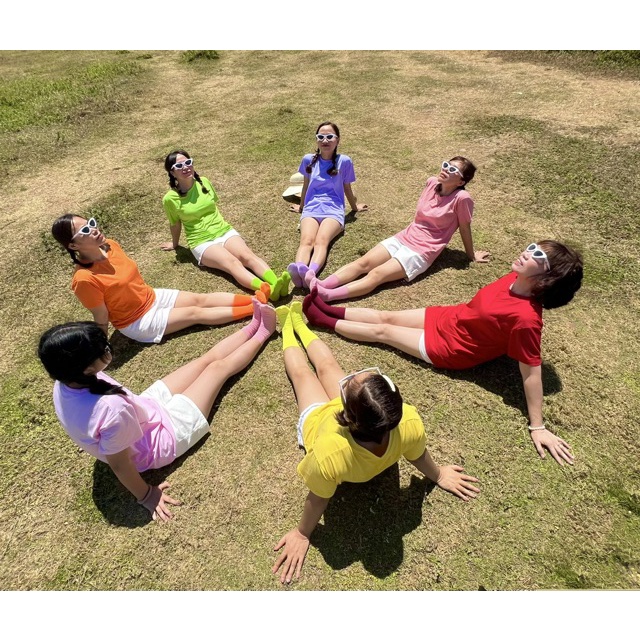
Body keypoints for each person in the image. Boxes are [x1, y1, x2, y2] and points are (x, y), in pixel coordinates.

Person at [303, 240, 583, 466]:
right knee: (387, 316)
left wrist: (537, 426)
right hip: (450, 317)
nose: (527, 252)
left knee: (383, 332)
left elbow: (531, 373)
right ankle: (329, 309)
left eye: (538, 256)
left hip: (452, 348)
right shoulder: (514, 277)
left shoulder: (526, 320)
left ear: (548, 278)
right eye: (533, 247)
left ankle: (322, 320)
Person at [271, 301, 480, 583]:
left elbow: (318, 498)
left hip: (317, 422)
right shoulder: (407, 421)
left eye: (352, 382)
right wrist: (439, 474)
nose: (352, 377)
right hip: (361, 416)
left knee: (303, 374)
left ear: (347, 414)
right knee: (329, 365)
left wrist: (301, 533)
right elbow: (419, 456)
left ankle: (288, 325)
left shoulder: (328, 454)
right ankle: (298, 322)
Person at [38, 300, 276, 521]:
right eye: (104, 349)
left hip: (145, 408)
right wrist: (146, 495)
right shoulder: (110, 410)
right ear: (87, 368)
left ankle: (253, 326)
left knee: (205, 360)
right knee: (217, 369)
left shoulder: (66, 380)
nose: (109, 349)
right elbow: (119, 464)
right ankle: (264, 332)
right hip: (162, 439)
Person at [52, 214, 264, 344]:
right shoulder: (84, 279)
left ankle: (257, 298)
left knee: (201, 299)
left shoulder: (111, 245)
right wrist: (102, 346)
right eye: (85, 230)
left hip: (151, 296)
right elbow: (101, 316)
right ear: (73, 245)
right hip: (136, 321)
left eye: (91, 223)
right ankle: (257, 310)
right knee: (195, 313)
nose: (94, 229)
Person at [306, 157, 490, 302]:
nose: (446, 170)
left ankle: (328, 295)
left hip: (423, 250)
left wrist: (471, 255)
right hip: (405, 236)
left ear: (461, 181)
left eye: (453, 170)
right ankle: (321, 284)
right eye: (446, 165)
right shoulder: (431, 183)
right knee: (363, 263)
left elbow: (464, 227)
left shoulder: (462, 198)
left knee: (377, 274)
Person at [162, 150, 290, 301]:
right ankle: (268, 290)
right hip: (201, 241)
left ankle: (277, 283)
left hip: (224, 231)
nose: (185, 167)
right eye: (179, 166)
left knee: (247, 256)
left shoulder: (204, 182)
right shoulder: (170, 199)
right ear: (172, 172)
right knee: (233, 263)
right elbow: (175, 224)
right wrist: (175, 244)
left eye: (188, 162)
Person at [287, 122, 368, 288]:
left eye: (330, 137)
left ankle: (310, 273)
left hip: (334, 210)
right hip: (311, 208)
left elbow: (347, 187)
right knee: (306, 241)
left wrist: (354, 207)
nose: (325, 140)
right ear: (316, 140)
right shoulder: (308, 160)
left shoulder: (344, 161)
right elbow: (305, 185)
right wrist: (301, 207)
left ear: (337, 140)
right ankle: (299, 270)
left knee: (321, 241)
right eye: (321, 137)